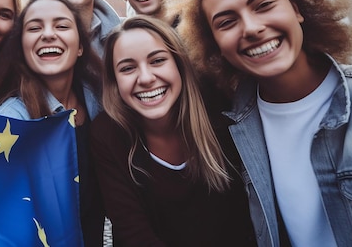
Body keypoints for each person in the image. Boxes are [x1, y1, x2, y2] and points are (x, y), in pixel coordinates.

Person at [168, 0, 352, 246]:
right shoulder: (233, 131)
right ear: (215, 45)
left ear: (297, 9)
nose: (252, 27)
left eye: (264, 5)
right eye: (227, 22)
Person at [90, 15, 255, 246]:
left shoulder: (220, 115)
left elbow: (245, 222)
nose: (146, 78)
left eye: (157, 61)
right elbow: (133, 233)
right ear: (115, 81)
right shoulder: (108, 134)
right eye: (128, 68)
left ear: (179, 64)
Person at [0, 0, 105, 245]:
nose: (48, 34)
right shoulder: (9, 121)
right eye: (35, 27)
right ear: (22, 49)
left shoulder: (100, 103)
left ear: (81, 46)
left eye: (61, 25)